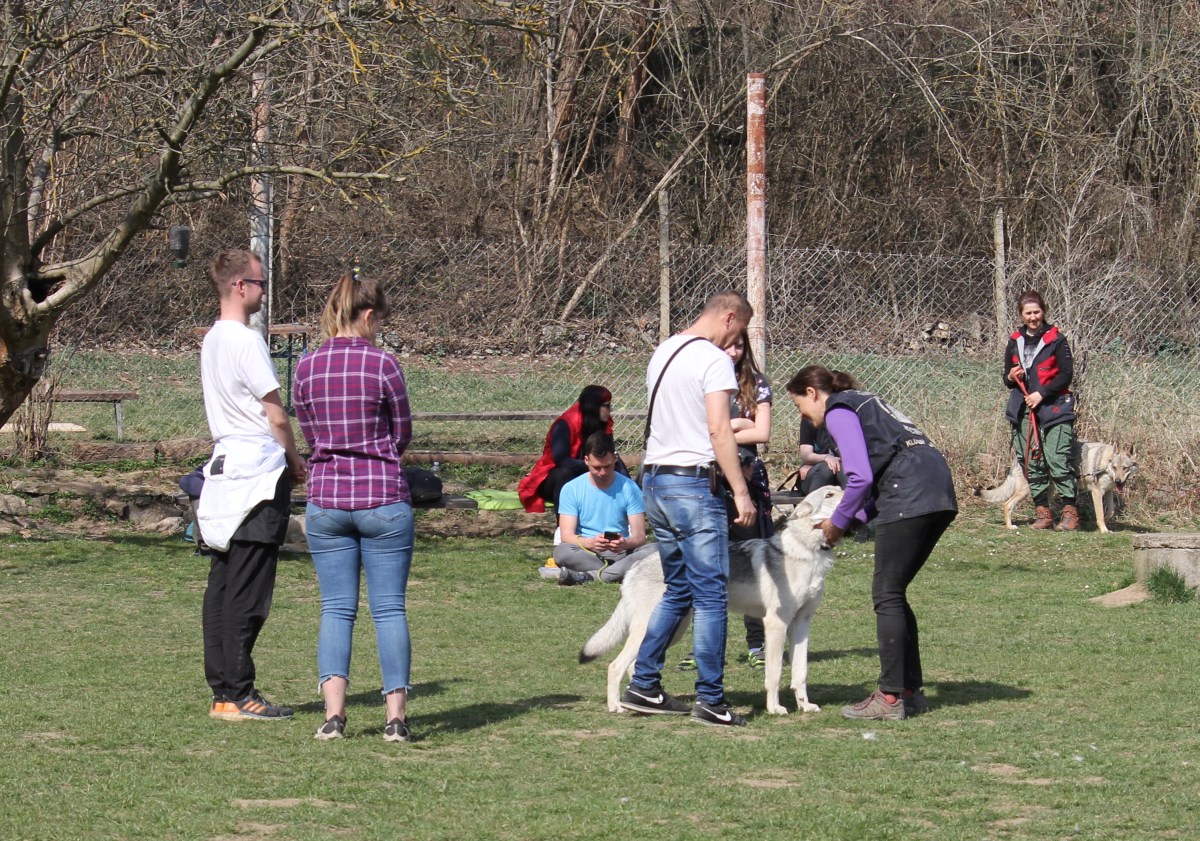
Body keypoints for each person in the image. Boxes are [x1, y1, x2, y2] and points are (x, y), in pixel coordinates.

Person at [787, 366, 956, 721]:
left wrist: (838, 521)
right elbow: (886, 467)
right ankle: (908, 690)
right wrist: (852, 522)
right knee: (895, 591)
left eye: (800, 404)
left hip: (909, 492)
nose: (803, 415)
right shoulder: (868, 402)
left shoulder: (839, 409)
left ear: (813, 393)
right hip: (936, 488)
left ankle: (890, 697)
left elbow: (861, 477)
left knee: (887, 593)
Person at [619, 290, 756, 728]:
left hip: (655, 481)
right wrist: (740, 491)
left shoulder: (664, 350)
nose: (738, 342)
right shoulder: (713, 360)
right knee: (711, 595)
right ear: (729, 317)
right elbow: (719, 429)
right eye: (740, 330)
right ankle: (712, 699)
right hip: (693, 485)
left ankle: (643, 685)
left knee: (678, 589)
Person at [293, 271, 416, 743]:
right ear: (367, 316)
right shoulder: (383, 365)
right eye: (378, 321)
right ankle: (395, 719)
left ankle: (334, 717)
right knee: (388, 610)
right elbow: (401, 431)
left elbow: (309, 433)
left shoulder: (306, 366)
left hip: (327, 499)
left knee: (336, 609)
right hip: (382, 496)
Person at [198, 249, 306, 722]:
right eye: (260, 284)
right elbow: (275, 412)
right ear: (240, 287)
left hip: (223, 470)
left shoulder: (211, 340)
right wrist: (295, 457)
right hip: (257, 473)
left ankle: (224, 691)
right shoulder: (244, 340)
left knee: (222, 583)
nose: (264, 292)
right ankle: (240, 694)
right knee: (248, 590)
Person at [1003, 289, 1078, 530]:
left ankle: (1070, 513)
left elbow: (1066, 374)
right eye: (1028, 313)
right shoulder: (1015, 340)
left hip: (1054, 407)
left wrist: (1042, 393)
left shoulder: (1057, 340)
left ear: (1043, 312)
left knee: (1057, 457)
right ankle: (1043, 513)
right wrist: (1012, 376)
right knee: (1031, 461)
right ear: (1021, 314)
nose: (1033, 317)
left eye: (1036, 312)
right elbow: (1006, 379)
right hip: (1023, 408)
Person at [554, 432, 657, 585]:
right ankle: (617, 571)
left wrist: (624, 544)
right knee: (561, 552)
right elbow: (567, 536)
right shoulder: (571, 488)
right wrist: (590, 542)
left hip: (621, 552)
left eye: (607, 466)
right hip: (587, 552)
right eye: (597, 468)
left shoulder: (629, 487)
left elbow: (639, 537)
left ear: (615, 458)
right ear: (586, 460)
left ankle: (592, 576)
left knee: (658, 550)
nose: (602, 473)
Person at [517, 385, 617, 515]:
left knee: (616, 466)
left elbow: (607, 455)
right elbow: (561, 460)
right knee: (565, 474)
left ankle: (626, 520)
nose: (610, 410)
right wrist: (590, 465)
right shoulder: (565, 424)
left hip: (589, 472)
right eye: (607, 406)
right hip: (553, 479)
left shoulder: (605, 423)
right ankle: (563, 527)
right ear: (594, 407)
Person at [796, 417, 845, 494]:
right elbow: (806, 455)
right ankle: (814, 504)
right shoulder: (809, 419)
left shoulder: (846, 418)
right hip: (816, 471)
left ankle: (854, 503)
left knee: (845, 469)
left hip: (841, 468)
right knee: (826, 469)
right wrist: (825, 458)